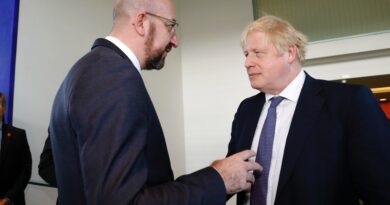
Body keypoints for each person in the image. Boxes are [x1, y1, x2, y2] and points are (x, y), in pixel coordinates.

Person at [49, 0, 261, 204]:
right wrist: (218, 179)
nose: (175, 41)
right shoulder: (114, 77)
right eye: (171, 26)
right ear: (141, 22)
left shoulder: (85, 71)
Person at [227, 15, 390, 205]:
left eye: (257, 53)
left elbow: (382, 188)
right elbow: (230, 176)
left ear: (289, 53)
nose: (247, 63)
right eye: (246, 54)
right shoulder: (246, 110)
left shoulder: (348, 102)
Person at [0, 93, 32, 205]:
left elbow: (26, 169)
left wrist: (9, 197)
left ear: (3, 108)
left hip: (11, 201)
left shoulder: (18, 135)